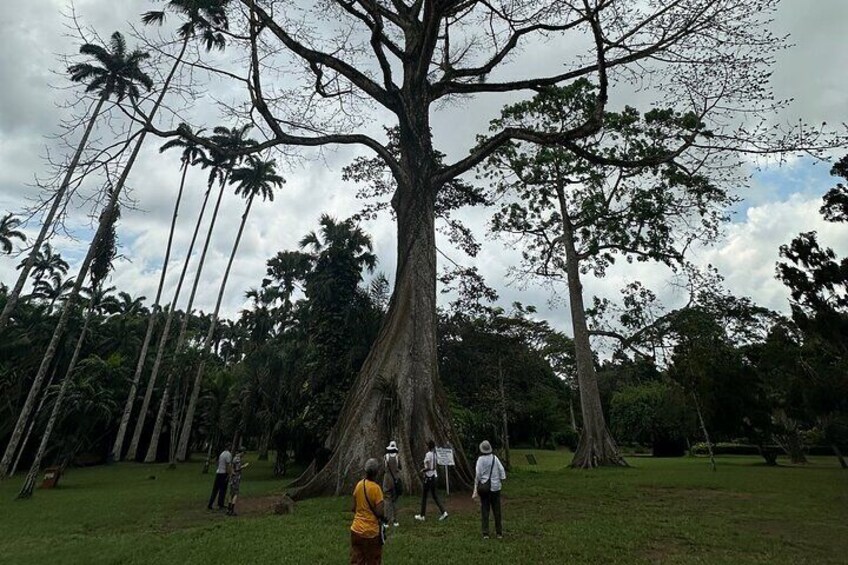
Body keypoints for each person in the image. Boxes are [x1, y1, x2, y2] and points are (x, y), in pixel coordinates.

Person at [350, 458, 385, 565]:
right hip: (371, 533)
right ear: (376, 472)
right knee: (373, 560)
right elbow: (379, 513)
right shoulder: (376, 489)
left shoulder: (359, 485)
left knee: (357, 560)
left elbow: (354, 507)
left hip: (356, 530)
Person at [472, 440, 506, 539]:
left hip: (485, 488)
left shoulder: (480, 460)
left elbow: (478, 474)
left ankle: (485, 533)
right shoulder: (495, 458)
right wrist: (500, 479)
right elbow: (502, 471)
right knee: (497, 510)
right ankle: (499, 533)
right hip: (496, 488)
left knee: (485, 510)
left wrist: (477, 484)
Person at [414, 440, 448, 522]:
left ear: (428, 446)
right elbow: (434, 467)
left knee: (424, 496)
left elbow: (429, 467)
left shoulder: (428, 454)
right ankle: (444, 512)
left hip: (428, 477)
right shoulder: (435, 455)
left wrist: (423, 470)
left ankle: (422, 515)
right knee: (435, 496)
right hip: (433, 476)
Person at [207, 445, 232, 510]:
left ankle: (210, 504)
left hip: (218, 473)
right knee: (223, 490)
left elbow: (218, 463)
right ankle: (220, 504)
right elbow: (227, 465)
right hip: (223, 473)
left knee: (215, 490)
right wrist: (229, 474)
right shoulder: (228, 454)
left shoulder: (222, 454)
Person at [383, 441, 402, 527]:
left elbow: (385, 468)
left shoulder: (386, 457)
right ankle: (395, 520)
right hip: (395, 481)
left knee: (387, 500)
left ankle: (386, 521)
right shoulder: (398, 457)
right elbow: (400, 467)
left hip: (387, 480)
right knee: (394, 500)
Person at [226, 447, 249, 516]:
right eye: (243, 453)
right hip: (236, 478)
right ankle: (232, 510)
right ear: (241, 452)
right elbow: (237, 468)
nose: (244, 455)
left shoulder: (234, 458)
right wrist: (244, 466)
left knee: (231, 493)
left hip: (232, 478)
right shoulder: (238, 459)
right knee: (235, 494)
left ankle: (228, 509)